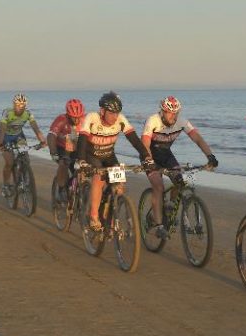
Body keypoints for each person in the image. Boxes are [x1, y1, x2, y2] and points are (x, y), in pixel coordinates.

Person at [141, 95, 218, 238]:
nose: (173, 116)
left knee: (180, 180)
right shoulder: (153, 121)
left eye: (176, 113)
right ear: (163, 111)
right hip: (149, 155)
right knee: (158, 186)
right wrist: (148, 161)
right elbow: (145, 143)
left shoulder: (182, 122)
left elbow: (197, 138)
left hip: (165, 154)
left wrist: (210, 156)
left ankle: (170, 205)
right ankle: (158, 225)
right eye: (170, 113)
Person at [77, 91, 154, 232]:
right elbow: (82, 140)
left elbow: (134, 140)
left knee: (119, 187)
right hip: (91, 155)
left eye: (117, 113)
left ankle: (110, 214)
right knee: (99, 178)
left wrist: (147, 157)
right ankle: (93, 215)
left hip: (109, 156)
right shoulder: (92, 118)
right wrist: (82, 161)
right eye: (112, 113)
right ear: (102, 111)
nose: (115, 116)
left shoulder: (120, 120)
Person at [0, 93, 46, 197]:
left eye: (22, 106)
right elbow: (2, 129)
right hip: (6, 137)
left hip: (19, 136)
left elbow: (35, 128)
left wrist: (42, 141)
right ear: (14, 105)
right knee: (9, 163)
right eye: (18, 105)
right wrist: (0, 144)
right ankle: (6, 185)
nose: (20, 108)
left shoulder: (28, 113)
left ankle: (24, 179)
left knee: (26, 159)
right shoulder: (7, 112)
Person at [47, 98, 85, 201]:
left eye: (79, 117)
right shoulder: (61, 119)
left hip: (76, 149)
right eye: (74, 117)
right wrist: (53, 153)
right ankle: (61, 188)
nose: (77, 120)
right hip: (61, 148)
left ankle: (76, 187)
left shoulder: (85, 120)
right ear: (68, 114)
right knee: (63, 164)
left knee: (82, 170)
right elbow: (51, 136)